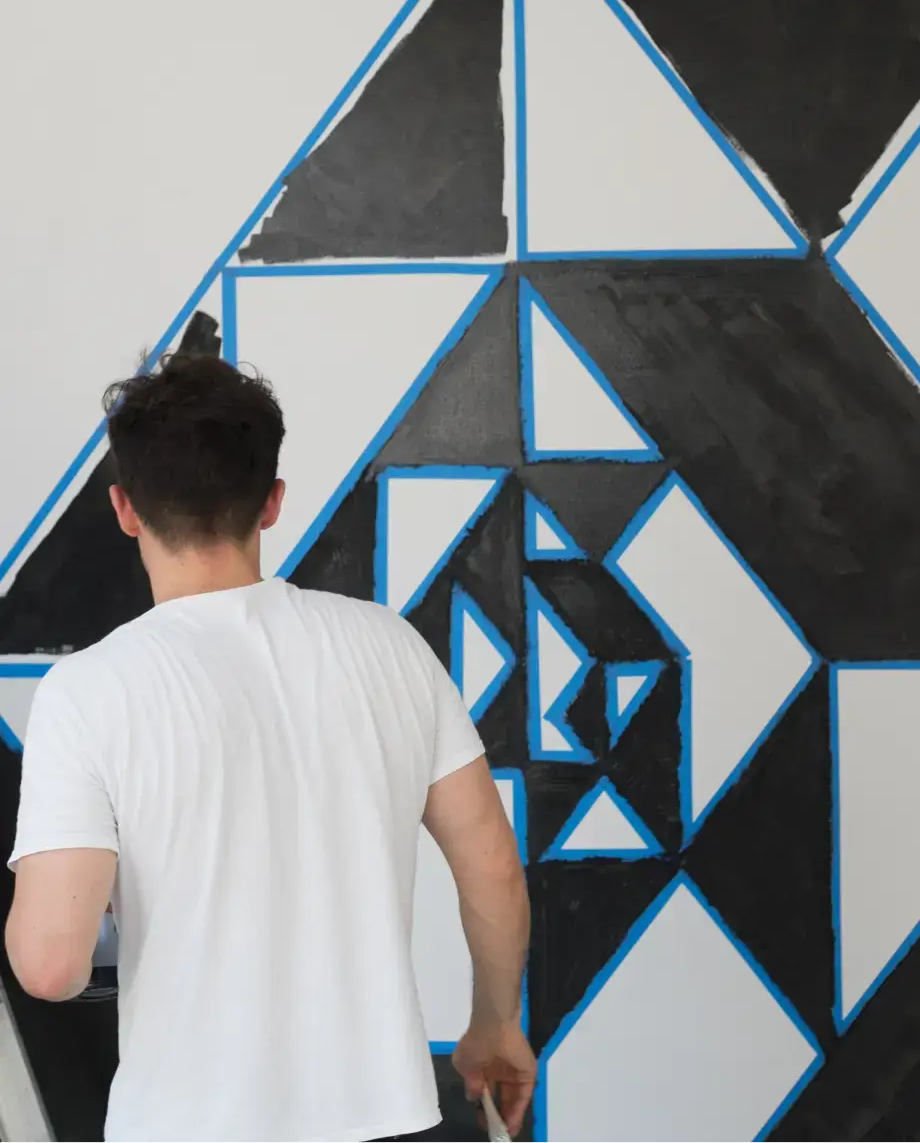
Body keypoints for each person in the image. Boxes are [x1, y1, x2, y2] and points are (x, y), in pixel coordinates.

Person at [5, 351, 535, 1143]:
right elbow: (493, 867)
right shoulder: (389, 647)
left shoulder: (90, 692)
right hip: (388, 1118)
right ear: (273, 502)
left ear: (123, 507)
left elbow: (53, 967)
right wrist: (495, 1025)